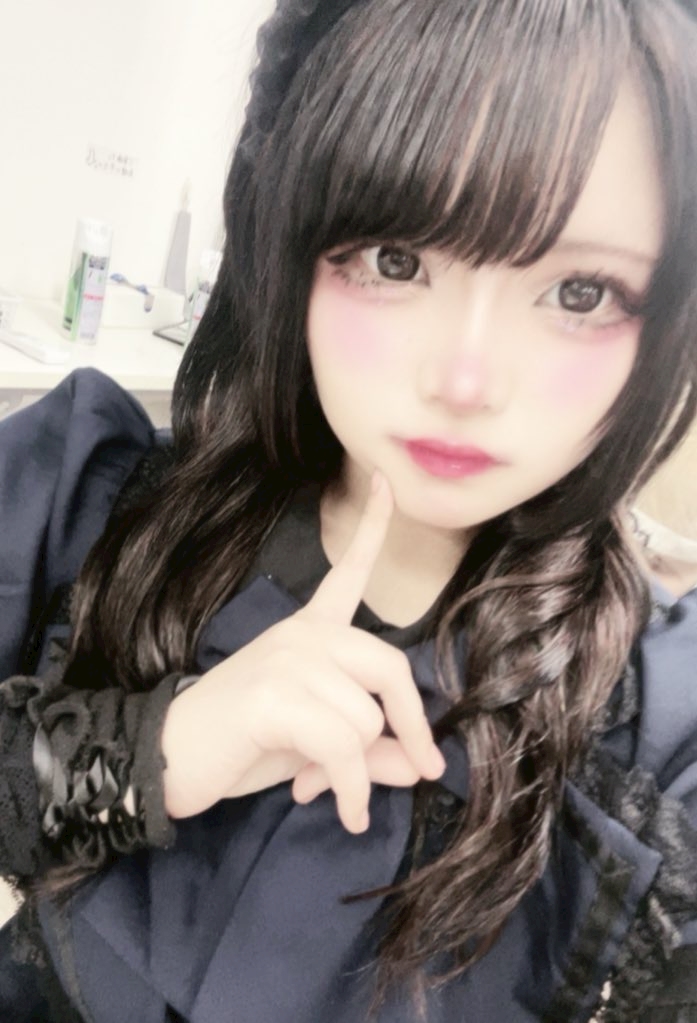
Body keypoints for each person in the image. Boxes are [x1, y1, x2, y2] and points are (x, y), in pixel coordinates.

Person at [1, 0, 697, 1020]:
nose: (465, 380)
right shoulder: (93, 505)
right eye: (397, 260)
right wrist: (158, 752)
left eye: (580, 293)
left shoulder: (660, 744)